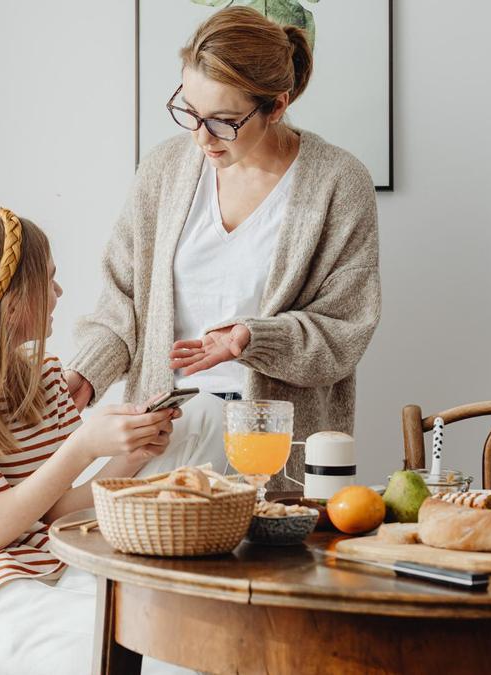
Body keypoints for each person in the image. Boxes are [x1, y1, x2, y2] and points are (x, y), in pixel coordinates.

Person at [0, 208, 221, 674]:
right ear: (7, 294)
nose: (59, 293)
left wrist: (131, 455)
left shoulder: (39, 376)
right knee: (151, 661)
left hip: (63, 560)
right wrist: (84, 447)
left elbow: (58, 512)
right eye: (48, 280)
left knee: (204, 417)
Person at [67, 7, 382, 482]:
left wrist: (253, 339)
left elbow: (345, 328)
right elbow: (123, 301)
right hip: (164, 432)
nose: (201, 137)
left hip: (272, 447)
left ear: (276, 106)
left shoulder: (338, 182)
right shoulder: (163, 172)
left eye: (223, 120)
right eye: (190, 112)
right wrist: (85, 375)